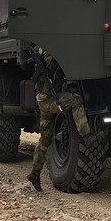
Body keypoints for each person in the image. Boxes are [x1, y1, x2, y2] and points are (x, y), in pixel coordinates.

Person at [26, 46, 99, 192]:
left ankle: (35, 173)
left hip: (43, 100)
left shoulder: (44, 58)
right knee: (75, 100)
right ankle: (87, 134)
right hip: (47, 100)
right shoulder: (49, 57)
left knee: (45, 139)